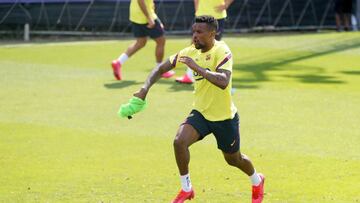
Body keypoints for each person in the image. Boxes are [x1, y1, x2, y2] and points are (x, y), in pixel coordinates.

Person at [130, 15, 265, 203]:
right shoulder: (189, 51)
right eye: (193, 31)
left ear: (213, 33)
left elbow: (223, 81)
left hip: (224, 117)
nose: (195, 36)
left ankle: (257, 180)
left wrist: (197, 68)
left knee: (234, 160)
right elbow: (161, 68)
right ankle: (186, 188)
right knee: (179, 141)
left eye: (199, 32)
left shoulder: (222, 50)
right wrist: (145, 89)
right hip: (201, 113)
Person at [111, 0, 175, 80]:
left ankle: (119, 62)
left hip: (136, 16)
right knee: (161, 41)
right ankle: (160, 70)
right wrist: (149, 18)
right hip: (144, 16)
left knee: (141, 42)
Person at [176, 0, 234, 84]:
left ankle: (214, 77)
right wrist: (197, 10)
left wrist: (226, 4)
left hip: (217, 16)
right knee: (195, 46)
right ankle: (189, 76)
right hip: (201, 17)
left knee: (214, 47)